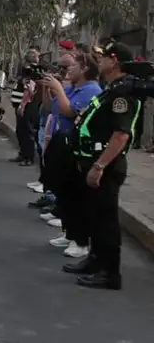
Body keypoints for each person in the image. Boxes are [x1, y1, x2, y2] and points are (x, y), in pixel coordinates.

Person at [61, 42, 138, 290]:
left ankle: (110, 273)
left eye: (103, 57)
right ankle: (95, 261)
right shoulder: (112, 89)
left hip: (108, 166)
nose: (99, 61)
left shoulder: (122, 94)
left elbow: (121, 135)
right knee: (95, 217)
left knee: (106, 221)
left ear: (114, 61)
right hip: (94, 161)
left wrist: (100, 166)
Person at [39, 52, 102, 257]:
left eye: (73, 66)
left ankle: (81, 241)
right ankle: (69, 232)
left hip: (78, 147)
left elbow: (70, 112)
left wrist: (59, 89)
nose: (68, 71)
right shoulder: (73, 89)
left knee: (78, 195)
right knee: (64, 191)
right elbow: (51, 108)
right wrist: (48, 90)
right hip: (62, 142)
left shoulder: (91, 90)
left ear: (84, 69)